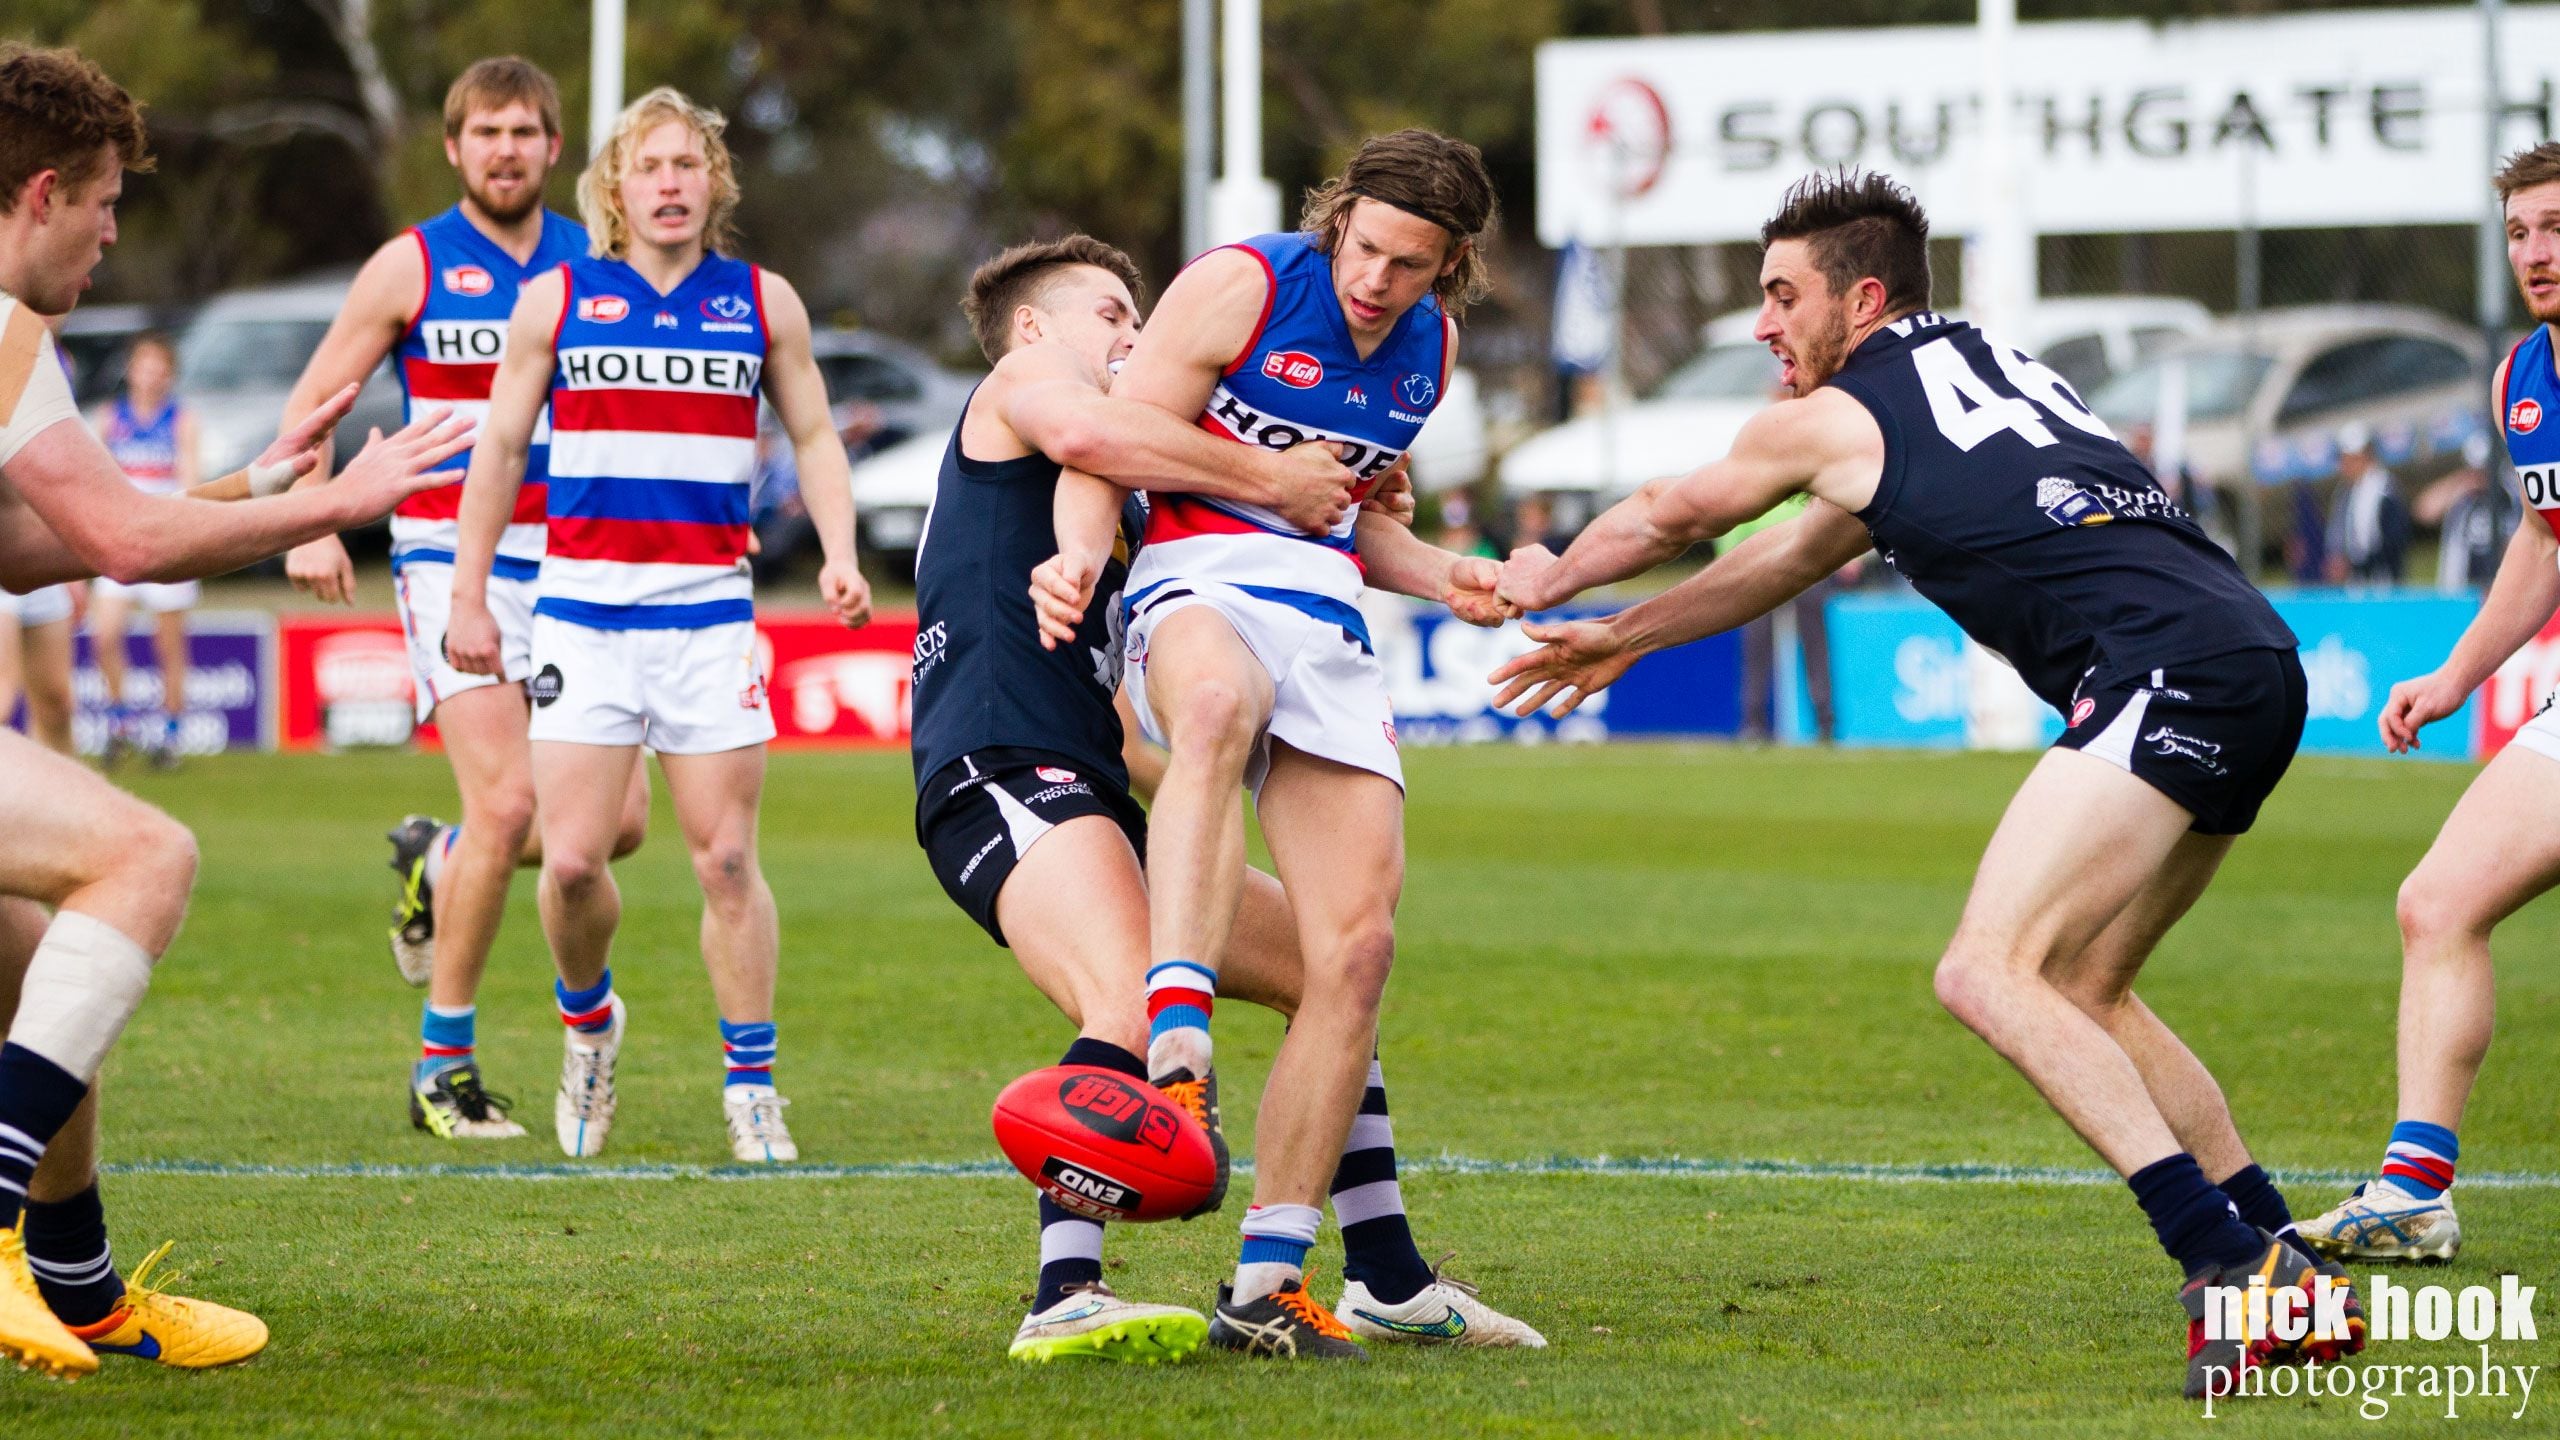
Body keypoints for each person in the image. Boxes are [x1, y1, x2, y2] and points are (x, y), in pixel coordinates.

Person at [1486, 170, 2360, 1399]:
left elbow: (1675, 507)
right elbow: (1784, 555)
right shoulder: (1981, 371)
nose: (1763, 325)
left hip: (2161, 667)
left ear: (1864, 297)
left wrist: (1548, 575)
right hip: (2250, 654)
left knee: (1984, 969)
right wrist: (1627, 637)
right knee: (2088, 986)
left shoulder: (1841, 411)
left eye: (1783, 296)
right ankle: (2283, 1259)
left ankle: (2226, 1269)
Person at [921, 235, 1542, 1360]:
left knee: (1328, 973)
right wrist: (1275, 472)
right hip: (1000, 770)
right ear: (1030, 328)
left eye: (1137, 316)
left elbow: (1273, 513)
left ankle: (1387, 1278)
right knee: (1133, 992)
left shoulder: (1134, 483)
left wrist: (1372, 507)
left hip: (1084, 779)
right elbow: (1094, 432)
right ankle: (1064, 1292)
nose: (1131, 334)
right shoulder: (1024, 386)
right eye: (1110, 312)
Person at [0, 41, 474, 1376]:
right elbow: (125, 546)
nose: (108, 231)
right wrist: (337, 501)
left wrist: (250, 485)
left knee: (37, 963)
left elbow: (36, 547)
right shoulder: (7, 324)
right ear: (39, 192)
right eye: (102, 201)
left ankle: (80, 1287)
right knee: (145, 854)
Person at [447, 85, 870, 1165]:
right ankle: (588, 1028)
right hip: (581, 618)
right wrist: (466, 592)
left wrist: (838, 552)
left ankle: (752, 1085)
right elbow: (497, 452)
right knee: (577, 864)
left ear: (713, 183)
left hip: (708, 617)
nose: (672, 183)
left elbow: (816, 435)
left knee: (726, 861)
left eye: (689, 165)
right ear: (615, 190)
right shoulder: (557, 296)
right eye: (651, 167)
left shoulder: (762, 301)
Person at [282, 57, 652, 1142]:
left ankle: (433, 863)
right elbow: (317, 402)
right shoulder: (411, 266)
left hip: (582, 566)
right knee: (509, 806)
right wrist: (311, 516)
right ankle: (442, 1068)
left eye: (525, 132)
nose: (505, 149)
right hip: (451, 554)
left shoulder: (599, 263)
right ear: (453, 149)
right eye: (485, 132)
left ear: (553, 148)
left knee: (612, 828)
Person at [2298, 143, 2560, 1266]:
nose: (2535, 252)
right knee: (2438, 901)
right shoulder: (2525, 379)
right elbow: (2546, 540)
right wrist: (2456, 676)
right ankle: (2413, 1191)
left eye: (2555, 226)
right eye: (2518, 233)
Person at [88, 332, 198, 768]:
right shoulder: (110, 418)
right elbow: (95, 479)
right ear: (131, 371)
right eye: (143, 366)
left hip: (166, 539)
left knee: (167, 644)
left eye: (159, 368)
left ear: (169, 375)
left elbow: (191, 480)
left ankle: (170, 734)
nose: (151, 376)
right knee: (104, 636)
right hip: (118, 538)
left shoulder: (181, 419)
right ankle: (119, 724)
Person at [2323, 422, 2410, 586]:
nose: (2344, 466)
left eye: (2349, 459)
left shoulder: (2384, 490)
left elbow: (2394, 542)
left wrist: (2356, 566)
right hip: (2355, 584)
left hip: (2382, 582)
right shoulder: (2345, 492)